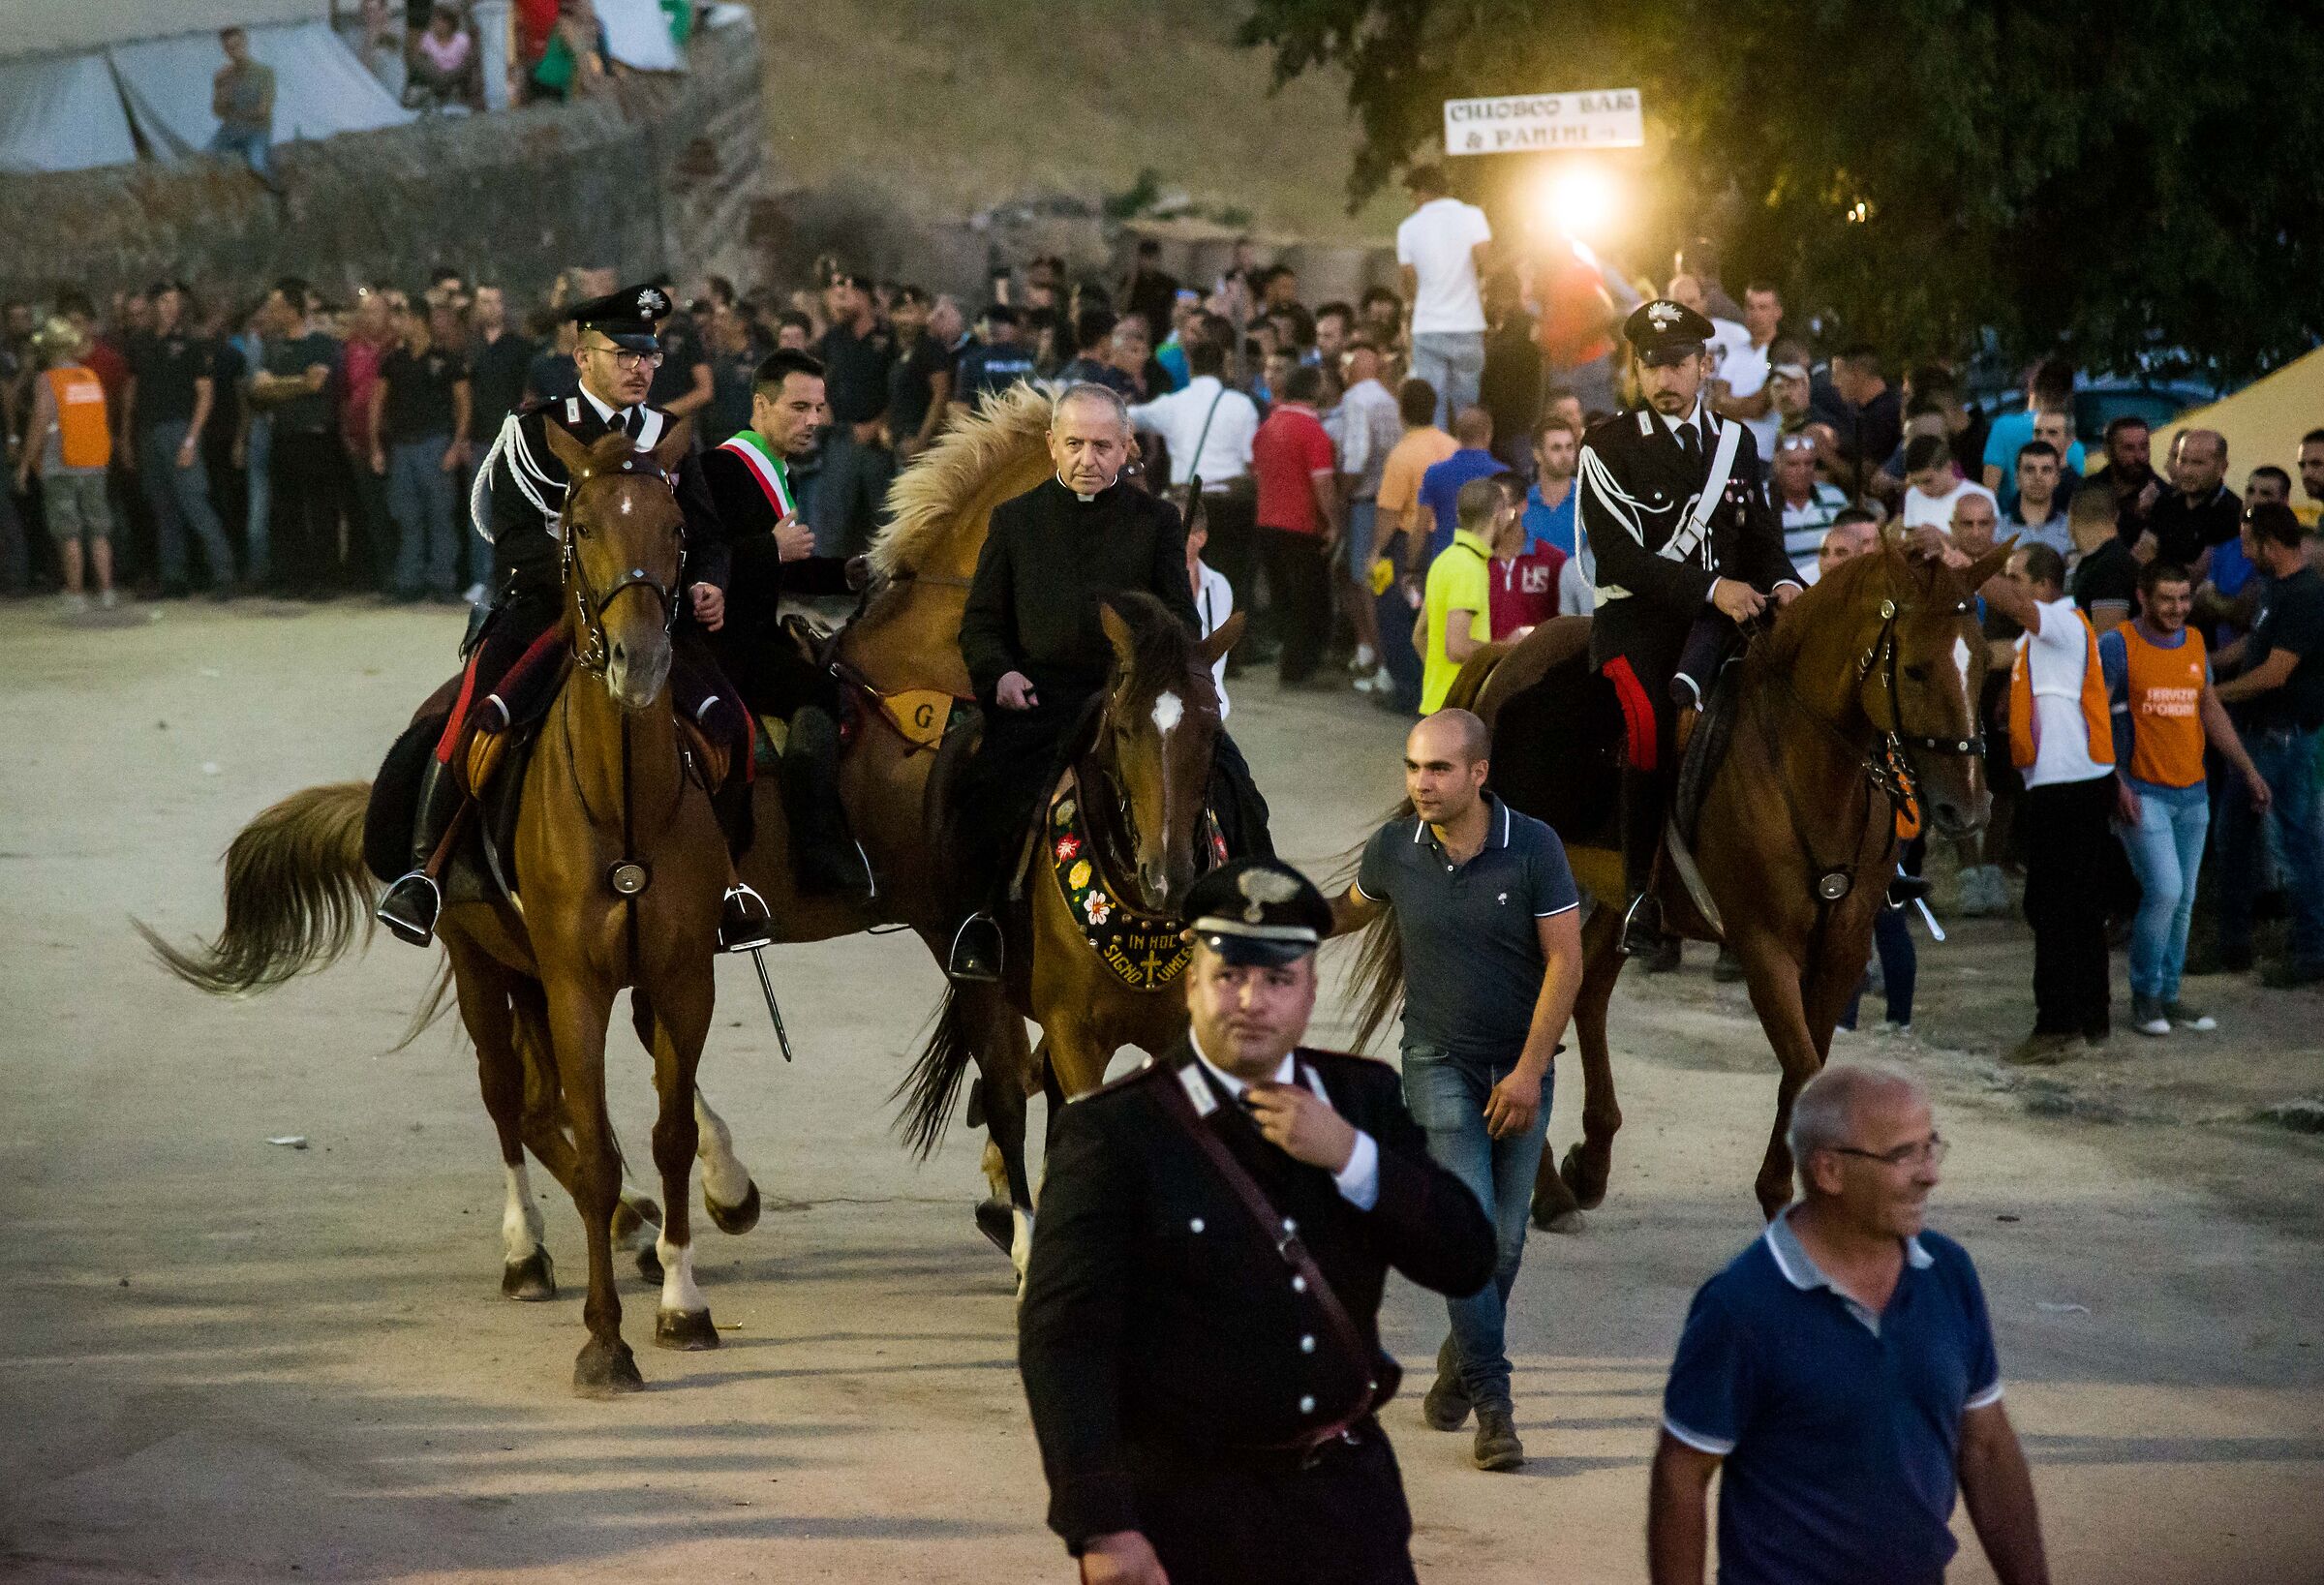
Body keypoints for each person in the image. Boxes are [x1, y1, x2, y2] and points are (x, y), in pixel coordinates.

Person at [1019, 856, 1496, 1585]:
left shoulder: (1361, 1102)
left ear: (1308, 992)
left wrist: (1353, 1157)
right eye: (1229, 974)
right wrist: (1101, 1521)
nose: (1252, 1000)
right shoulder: (1114, 1134)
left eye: (1278, 979)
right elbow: (1064, 1341)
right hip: (1190, 1519)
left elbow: (1467, 1257)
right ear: (1190, 984)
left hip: (1347, 1513)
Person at [374, 284, 761, 951]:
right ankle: (427, 871)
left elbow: (705, 531)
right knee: (473, 719)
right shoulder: (533, 432)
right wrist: (584, 588)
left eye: (650, 356)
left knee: (735, 725)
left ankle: (730, 884)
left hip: (651, 617)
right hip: (547, 612)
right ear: (582, 359)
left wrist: (707, 582)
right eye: (624, 354)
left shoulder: (667, 436)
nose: (641, 368)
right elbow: (515, 534)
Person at [1651, 1062, 2050, 1585]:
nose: (1931, 1173)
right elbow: (1682, 1475)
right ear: (1829, 1171)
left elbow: (1987, 1446)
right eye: (1903, 1154)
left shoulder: (1948, 1274)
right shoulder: (1741, 1305)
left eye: (1931, 1147)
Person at [1328, 711, 1578, 1471]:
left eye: (1438, 769)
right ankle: (1495, 1406)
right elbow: (1348, 910)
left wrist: (1531, 1070)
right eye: (1412, 767)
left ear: (1479, 774)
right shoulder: (1395, 850)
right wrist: (1267, 917)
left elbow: (1565, 963)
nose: (1421, 784)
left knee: (1504, 1242)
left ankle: (1457, 1367)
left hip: (1520, 1065)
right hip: (1434, 1061)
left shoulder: (1533, 846)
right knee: (1472, 1230)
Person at [947, 384, 1264, 982]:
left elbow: (1181, 619)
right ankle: (979, 927)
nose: (1086, 458)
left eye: (1101, 446)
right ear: (1051, 447)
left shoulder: (1157, 521)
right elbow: (982, 624)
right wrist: (1002, 674)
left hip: (1137, 697)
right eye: (1073, 444)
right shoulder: (1014, 521)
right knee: (983, 793)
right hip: (1042, 698)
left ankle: (1251, 921)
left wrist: (1153, 667)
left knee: (1236, 785)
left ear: (1126, 451)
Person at [1575, 299, 1799, 957]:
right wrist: (1711, 588)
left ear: (1705, 364)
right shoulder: (1607, 445)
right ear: (1636, 370)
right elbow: (1618, 558)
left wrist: (1783, 579)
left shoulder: (1739, 441)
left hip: (1730, 617)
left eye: (1678, 364)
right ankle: (1641, 890)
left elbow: (1761, 540)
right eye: (1652, 365)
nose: (1665, 378)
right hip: (1639, 622)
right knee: (1648, 724)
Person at [699, 347, 872, 899]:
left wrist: (852, 573)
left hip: (753, 636)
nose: (813, 421)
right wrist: (768, 550)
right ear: (760, 405)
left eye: (818, 408)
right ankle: (815, 845)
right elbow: (703, 558)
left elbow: (786, 565)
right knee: (821, 694)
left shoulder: (775, 470)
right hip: (724, 647)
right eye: (799, 407)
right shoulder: (724, 467)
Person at [2102, 560, 2269, 1035]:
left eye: (2183, 598)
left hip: (2192, 791)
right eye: (2166, 599)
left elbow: (2209, 709)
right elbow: (2094, 714)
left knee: (2185, 898)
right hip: (2143, 790)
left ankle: (2169, 996)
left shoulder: (2194, 642)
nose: (2177, 608)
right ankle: (2145, 996)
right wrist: (2114, 779)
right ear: (2143, 597)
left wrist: (2247, 770)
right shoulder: (2118, 646)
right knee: (2165, 892)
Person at [1976, 542, 2119, 1062]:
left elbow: (2014, 613)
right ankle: (2089, 1017)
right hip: (2068, 784)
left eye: (2015, 576)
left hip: (2068, 786)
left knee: (2055, 906)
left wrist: (1960, 563)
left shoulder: (2059, 621)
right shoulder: (2041, 638)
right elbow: (1991, 653)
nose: (2008, 585)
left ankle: (2057, 1024)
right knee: (2075, 906)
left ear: (2041, 586)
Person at [2211, 503, 2324, 985]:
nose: (2243, 551)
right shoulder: (2277, 589)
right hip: (2260, 737)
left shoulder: (2304, 596)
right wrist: (2205, 663)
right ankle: (2234, 944)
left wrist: (2209, 697)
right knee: (2233, 839)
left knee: (2295, 846)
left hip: (2283, 738)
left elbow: (2275, 673)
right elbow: (2254, 647)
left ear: (2269, 545)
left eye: (2247, 543)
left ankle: (2312, 951)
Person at [1126, 337, 1261, 653]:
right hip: (1231, 502)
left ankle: (1188, 641)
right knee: (1232, 577)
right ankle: (1232, 649)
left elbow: (1128, 415)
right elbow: (1249, 459)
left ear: (1189, 364)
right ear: (1224, 365)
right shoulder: (1241, 405)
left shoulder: (1174, 403)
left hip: (1186, 503)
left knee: (1186, 575)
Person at [119, 282, 237, 598]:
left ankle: (223, 574)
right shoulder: (140, 343)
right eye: (163, 301)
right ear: (153, 305)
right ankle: (174, 576)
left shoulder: (191, 344)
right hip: (148, 428)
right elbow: (131, 392)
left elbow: (205, 395)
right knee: (163, 507)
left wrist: (191, 440)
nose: (169, 307)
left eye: (174, 301)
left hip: (178, 428)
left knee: (194, 502)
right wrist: (127, 436)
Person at [368, 296, 472, 602]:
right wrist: (376, 446)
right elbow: (377, 402)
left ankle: (442, 580)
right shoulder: (393, 360)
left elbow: (463, 404)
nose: (397, 324)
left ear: (417, 320)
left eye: (402, 318)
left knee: (441, 515)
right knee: (407, 516)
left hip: (435, 443)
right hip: (402, 446)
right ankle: (409, 580)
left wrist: (456, 444)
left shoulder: (446, 359)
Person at [14, 319, 116, 611]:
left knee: (68, 531)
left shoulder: (48, 380)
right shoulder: (90, 376)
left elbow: (40, 422)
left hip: (62, 464)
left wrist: (24, 462)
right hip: (95, 462)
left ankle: (76, 594)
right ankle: (107, 592)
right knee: (99, 529)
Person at [1251, 364, 1340, 686]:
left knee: (1283, 599)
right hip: (1301, 527)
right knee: (1308, 600)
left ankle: (1289, 665)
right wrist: (1334, 521)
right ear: (1315, 391)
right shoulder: (1313, 431)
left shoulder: (1268, 427)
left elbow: (1258, 474)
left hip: (1266, 522)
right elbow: (1324, 485)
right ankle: (1299, 668)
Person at [1371, 379, 1457, 713]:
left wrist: (1376, 552)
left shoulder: (1402, 455)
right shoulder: (1452, 445)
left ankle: (1409, 691)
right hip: (1448, 541)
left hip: (1411, 544)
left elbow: (1389, 513)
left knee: (1395, 615)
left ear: (1401, 410)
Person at [1395, 166, 1492, 429]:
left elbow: (1408, 278)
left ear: (1421, 192)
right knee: (1467, 407)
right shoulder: (1473, 216)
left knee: (1432, 408)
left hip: (1428, 327)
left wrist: (1420, 301)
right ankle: (1469, 463)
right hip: (1468, 324)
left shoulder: (1408, 228)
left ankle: (1437, 464)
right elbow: (1486, 264)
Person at [1334, 338, 1402, 695]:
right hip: (1390, 501)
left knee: (1365, 584)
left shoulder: (1357, 399)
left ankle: (1382, 664)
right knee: (1375, 581)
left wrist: (1340, 496)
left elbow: (1356, 457)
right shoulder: (1388, 399)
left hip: (1365, 501)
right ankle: (1371, 652)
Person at [811, 272, 894, 556]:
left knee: (884, 516)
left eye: (846, 293)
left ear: (865, 297)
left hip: (878, 441)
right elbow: (815, 374)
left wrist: (878, 423)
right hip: (841, 435)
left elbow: (901, 389)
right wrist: (822, 406)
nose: (840, 301)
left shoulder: (888, 338)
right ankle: (826, 587)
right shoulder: (834, 338)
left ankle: (889, 587)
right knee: (831, 513)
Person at [1416, 477, 1498, 714]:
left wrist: (1438, 683)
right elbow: (1458, 648)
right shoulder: (1469, 567)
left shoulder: (1445, 560)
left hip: (1435, 706)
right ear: (1498, 515)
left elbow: (1420, 635)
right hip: (1459, 711)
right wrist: (1507, 652)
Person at [1413, 406, 1505, 569]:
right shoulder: (1503, 476)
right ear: (1488, 435)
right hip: (1487, 566)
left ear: (1457, 435)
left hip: (1444, 562)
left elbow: (1421, 527)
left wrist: (1410, 566)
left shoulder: (1435, 473)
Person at [2140, 428, 2239, 573]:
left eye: (2198, 463)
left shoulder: (2230, 512)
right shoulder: (2167, 500)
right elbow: (2143, 552)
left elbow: (2198, 574)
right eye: (2182, 460)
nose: (2187, 471)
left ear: (2223, 467)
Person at [1484, 472, 1562, 640]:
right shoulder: (1477, 560)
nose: (1494, 514)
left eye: (1501, 505)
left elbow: (1562, 623)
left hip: (1538, 663)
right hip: (1488, 664)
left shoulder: (1552, 560)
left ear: (1522, 506)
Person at [1766, 432, 1849, 580]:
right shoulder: (1760, 499)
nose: (1802, 471)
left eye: (1808, 463)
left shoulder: (1834, 496)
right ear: (1777, 464)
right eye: (1793, 464)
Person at [884, 286, 951, 465]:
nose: (906, 319)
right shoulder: (893, 351)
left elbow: (940, 395)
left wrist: (921, 441)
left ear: (924, 314)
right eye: (901, 312)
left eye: (911, 312)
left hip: (924, 445)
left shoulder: (931, 349)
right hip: (899, 440)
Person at [209, 28, 281, 192]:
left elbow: (263, 111)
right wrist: (219, 88)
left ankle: (278, 196)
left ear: (245, 43)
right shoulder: (224, 76)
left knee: (256, 164)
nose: (235, 52)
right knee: (205, 158)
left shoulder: (265, 73)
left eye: (237, 45)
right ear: (225, 51)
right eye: (229, 48)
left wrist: (234, 114)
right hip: (230, 131)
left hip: (257, 130)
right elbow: (217, 112)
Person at [1897, 433, 1994, 531]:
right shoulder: (1913, 495)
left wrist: (1941, 541)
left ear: (1948, 467)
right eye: (1915, 482)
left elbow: (1990, 544)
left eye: (1928, 481)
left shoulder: (1981, 496)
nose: (1922, 488)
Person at [1522, 413, 1581, 558]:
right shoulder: (1522, 506)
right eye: (1556, 448)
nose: (1565, 455)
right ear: (1538, 455)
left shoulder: (1589, 501)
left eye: (1569, 447)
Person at [2003, 441, 2071, 559]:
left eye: (2046, 470)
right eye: (2029, 470)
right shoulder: (1995, 532)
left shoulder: (2072, 533)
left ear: (2057, 479)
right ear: (2017, 478)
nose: (2037, 477)